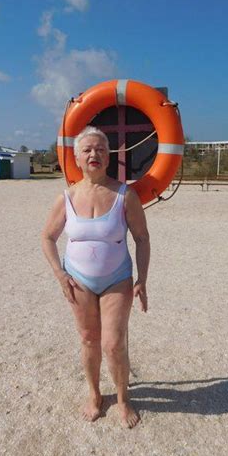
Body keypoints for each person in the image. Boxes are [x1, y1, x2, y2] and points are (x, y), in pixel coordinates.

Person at [41, 126, 150, 428]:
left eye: (100, 149)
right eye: (87, 150)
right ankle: (94, 394)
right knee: (89, 339)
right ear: (76, 158)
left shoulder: (125, 195)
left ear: (109, 157)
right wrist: (59, 274)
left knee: (113, 343)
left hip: (117, 278)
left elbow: (142, 238)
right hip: (78, 279)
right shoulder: (66, 197)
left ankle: (123, 398)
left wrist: (142, 278)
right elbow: (47, 237)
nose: (94, 154)